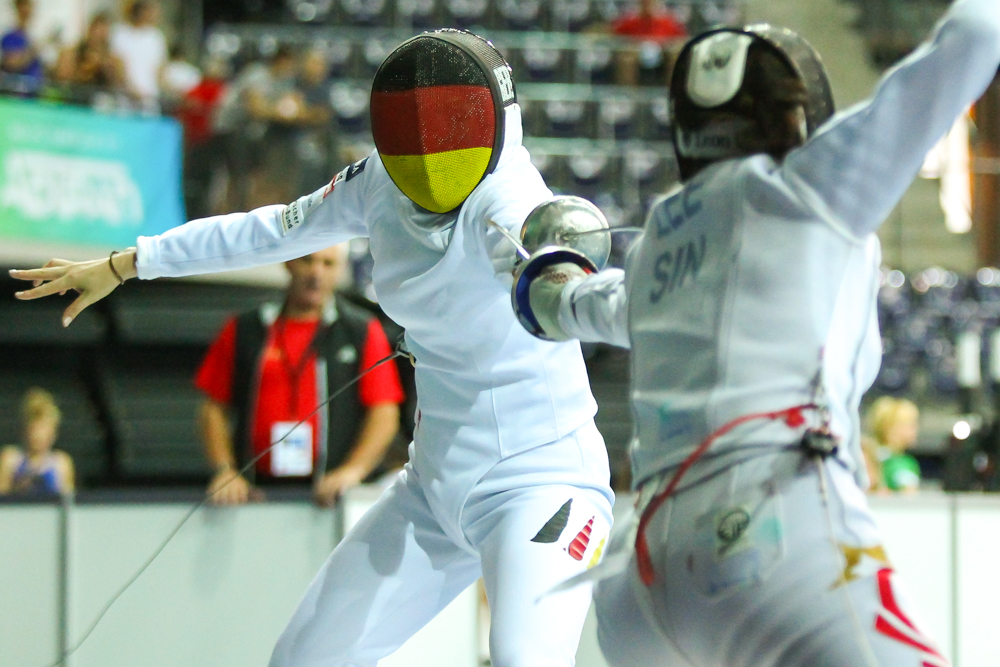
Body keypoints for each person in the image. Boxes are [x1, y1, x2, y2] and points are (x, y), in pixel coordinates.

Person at [11, 30, 614, 667]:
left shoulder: (511, 201)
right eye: (412, 136)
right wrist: (131, 262)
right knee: (303, 660)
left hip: (545, 488)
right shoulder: (380, 182)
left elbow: (542, 260)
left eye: (446, 131)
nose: (430, 155)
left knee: (527, 659)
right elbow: (271, 229)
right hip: (436, 493)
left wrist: (561, 281)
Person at [512, 1, 1000, 664]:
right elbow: (977, 32)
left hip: (642, 580)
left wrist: (541, 280)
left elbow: (574, 304)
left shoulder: (660, 240)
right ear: (799, 120)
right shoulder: (810, 188)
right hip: (770, 531)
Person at [197, 244, 404, 507]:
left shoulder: (361, 331)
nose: (316, 273)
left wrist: (353, 471)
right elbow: (212, 409)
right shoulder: (245, 328)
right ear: (288, 263)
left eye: (328, 264)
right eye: (308, 261)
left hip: (332, 498)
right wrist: (224, 471)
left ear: (340, 270)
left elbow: (384, 413)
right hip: (253, 496)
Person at [0, 388, 74, 497]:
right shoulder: (10, 460)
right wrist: (17, 490)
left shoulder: (61, 464)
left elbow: (69, 502)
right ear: (25, 430)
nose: (39, 436)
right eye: (35, 430)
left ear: (53, 433)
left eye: (44, 429)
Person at [110, 0, 166, 109]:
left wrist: (158, 91)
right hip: (125, 98)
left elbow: (160, 68)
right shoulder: (120, 32)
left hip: (149, 98)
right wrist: (130, 88)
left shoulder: (156, 37)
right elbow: (117, 64)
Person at [52, 12, 125, 93]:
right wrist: (84, 70)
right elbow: (61, 77)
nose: (100, 37)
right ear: (90, 30)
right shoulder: (70, 53)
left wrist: (107, 69)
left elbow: (122, 86)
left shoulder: (114, 60)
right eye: (98, 31)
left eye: (104, 33)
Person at [868, 396, 922, 493]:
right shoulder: (876, 459)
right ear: (892, 428)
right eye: (911, 426)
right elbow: (909, 495)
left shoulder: (906, 461)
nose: (915, 431)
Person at [0, 0, 43, 94]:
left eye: (29, 6)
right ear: (18, 8)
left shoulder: (32, 36)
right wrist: (34, 50)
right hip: (16, 94)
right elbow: (12, 64)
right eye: (23, 6)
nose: (27, 10)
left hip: (35, 94)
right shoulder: (9, 37)